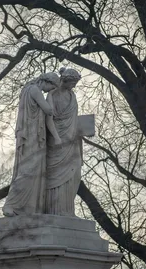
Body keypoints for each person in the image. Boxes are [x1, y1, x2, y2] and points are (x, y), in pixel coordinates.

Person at [2, 72, 61, 217]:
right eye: (51, 87)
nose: (50, 91)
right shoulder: (34, 90)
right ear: (47, 82)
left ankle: (27, 206)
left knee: (33, 170)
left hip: (33, 134)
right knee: (28, 169)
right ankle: (11, 204)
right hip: (31, 135)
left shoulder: (29, 89)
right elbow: (48, 110)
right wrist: (51, 98)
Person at [45, 67, 82, 216]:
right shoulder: (52, 94)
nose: (74, 86)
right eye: (73, 83)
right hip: (57, 140)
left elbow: (73, 119)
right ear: (66, 80)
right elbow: (49, 118)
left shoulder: (72, 95)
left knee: (75, 171)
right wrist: (56, 137)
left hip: (72, 139)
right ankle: (56, 210)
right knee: (56, 174)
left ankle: (67, 209)